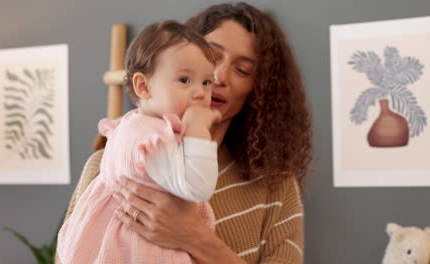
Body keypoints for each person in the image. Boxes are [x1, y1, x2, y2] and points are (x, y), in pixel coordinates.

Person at [111, 2, 313, 264]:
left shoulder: (276, 186)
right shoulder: (114, 159)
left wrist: (195, 238)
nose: (218, 77)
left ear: (259, 88)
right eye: (212, 58)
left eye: (242, 70)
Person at [57, 20, 223, 264]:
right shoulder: (153, 140)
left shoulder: (132, 126)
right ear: (143, 86)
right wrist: (198, 130)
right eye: (185, 80)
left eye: (206, 82)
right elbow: (198, 186)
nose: (200, 92)